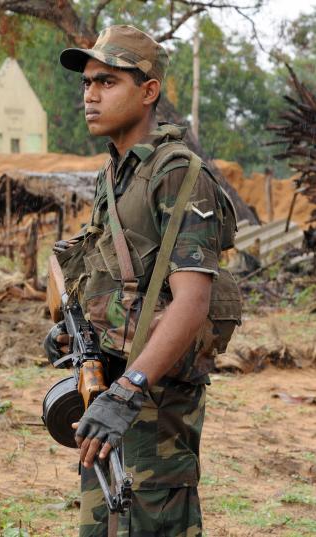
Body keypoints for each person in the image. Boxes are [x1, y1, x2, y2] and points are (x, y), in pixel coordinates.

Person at [43, 25, 241, 536]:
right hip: (106, 389)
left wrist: (128, 392)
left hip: (151, 397)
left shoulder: (178, 174)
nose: (90, 94)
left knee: (151, 519)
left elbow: (192, 300)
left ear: (148, 91)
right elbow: (104, 270)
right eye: (86, 83)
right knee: (103, 523)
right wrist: (73, 329)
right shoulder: (114, 175)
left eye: (107, 82)